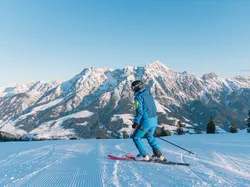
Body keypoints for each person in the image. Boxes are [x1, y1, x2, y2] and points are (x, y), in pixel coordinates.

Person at [131, 80, 166, 161]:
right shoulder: (148, 94)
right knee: (149, 136)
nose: (132, 89)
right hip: (154, 119)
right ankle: (159, 155)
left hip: (146, 121)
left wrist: (136, 122)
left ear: (137, 87)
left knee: (136, 137)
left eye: (133, 87)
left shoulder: (138, 97)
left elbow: (139, 111)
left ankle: (144, 156)